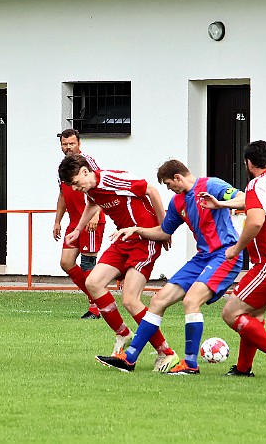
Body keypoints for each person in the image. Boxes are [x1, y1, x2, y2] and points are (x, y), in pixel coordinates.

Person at [96, 159, 244, 375]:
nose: (168, 188)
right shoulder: (177, 202)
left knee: (191, 300)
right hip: (203, 257)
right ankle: (129, 360)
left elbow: (244, 199)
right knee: (158, 300)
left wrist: (220, 204)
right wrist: (136, 229)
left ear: (178, 177)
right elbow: (163, 232)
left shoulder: (211, 186)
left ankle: (191, 365)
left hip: (226, 254)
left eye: (168, 184)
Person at [59, 154, 179, 372]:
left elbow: (151, 190)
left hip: (145, 239)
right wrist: (78, 229)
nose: (75, 189)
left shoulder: (112, 179)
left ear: (85, 172)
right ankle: (123, 333)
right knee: (93, 282)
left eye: (75, 183)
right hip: (123, 239)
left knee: (130, 300)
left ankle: (166, 353)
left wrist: (164, 228)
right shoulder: (91, 188)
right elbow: (92, 204)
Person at [201, 140, 266, 378]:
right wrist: (221, 204)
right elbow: (258, 207)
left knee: (230, 313)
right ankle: (243, 369)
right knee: (253, 315)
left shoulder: (257, 184)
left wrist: (236, 249)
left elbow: (256, 221)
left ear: (248, 162)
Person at [52, 129, 106, 319]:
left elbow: (99, 185)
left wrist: (95, 214)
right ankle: (98, 299)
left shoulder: (87, 162)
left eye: (71, 144)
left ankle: (95, 307)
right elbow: (62, 194)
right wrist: (57, 220)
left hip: (90, 219)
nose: (68, 147)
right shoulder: (62, 167)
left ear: (79, 144)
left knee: (87, 262)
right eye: (65, 144)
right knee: (66, 262)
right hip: (74, 222)